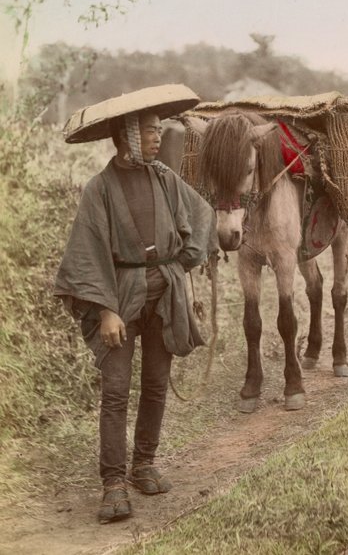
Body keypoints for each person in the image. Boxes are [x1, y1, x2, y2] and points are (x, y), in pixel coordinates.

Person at [55, 104, 217, 524]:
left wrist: (182, 265)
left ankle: (143, 464)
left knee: (157, 383)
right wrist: (106, 310)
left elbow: (203, 214)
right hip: (121, 297)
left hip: (164, 298)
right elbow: (87, 255)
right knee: (115, 391)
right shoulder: (100, 189)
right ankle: (112, 483)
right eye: (148, 131)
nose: (157, 137)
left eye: (158, 130)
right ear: (125, 134)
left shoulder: (164, 177)